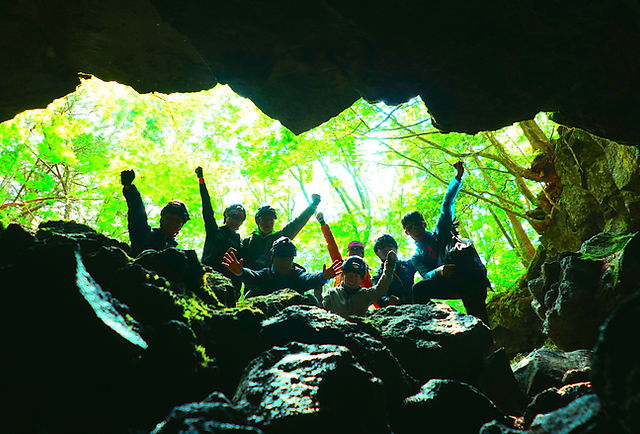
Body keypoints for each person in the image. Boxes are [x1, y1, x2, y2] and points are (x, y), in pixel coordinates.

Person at [405, 160, 490, 324]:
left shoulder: (441, 233)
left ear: (424, 224)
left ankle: (489, 346)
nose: (415, 229)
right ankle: (426, 328)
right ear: (407, 232)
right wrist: (439, 271)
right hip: (449, 284)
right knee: (419, 288)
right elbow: (425, 275)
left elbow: (447, 204)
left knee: (479, 316)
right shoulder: (417, 256)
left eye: (418, 224)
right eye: (410, 227)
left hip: (470, 278)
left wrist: (457, 177)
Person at [222, 236, 342, 298]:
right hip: (266, 318)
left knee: (311, 300)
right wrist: (240, 272)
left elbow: (309, 278)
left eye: (288, 259)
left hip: (295, 320)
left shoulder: (297, 274)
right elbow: (253, 276)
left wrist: (323, 277)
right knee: (251, 295)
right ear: (272, 258)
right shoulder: (265, 275)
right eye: (281, 258)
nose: (284, 262)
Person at [195, 166, 246, 302]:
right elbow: (207, 209)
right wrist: (201, 181)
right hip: (210, 278)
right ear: (225, 217)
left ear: (241, 222)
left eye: (239, 217)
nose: (235, 220)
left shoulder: (241, 244)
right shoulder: (214, 231)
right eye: (231, 215)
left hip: (230, 286)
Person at [241, 195, 321, 272]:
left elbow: (297, 223)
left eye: (271, 220)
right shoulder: (247, 242)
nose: (268, 223)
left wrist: (313, 205)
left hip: (272, 281)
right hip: (251, 280)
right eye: (265, 219)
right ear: (257, 221)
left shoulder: (279, 237)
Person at [120, 169, 190, 257]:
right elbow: (137, 212)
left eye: (177, 221)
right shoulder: (144, 234)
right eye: (170, 219)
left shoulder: (178, 255)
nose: (172, 224)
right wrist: (129, 188)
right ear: (162, 219)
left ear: (180, 227)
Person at [323, 252, 396, 317]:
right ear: (343, 276)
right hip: (336, 329)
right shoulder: (332, 294)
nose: (352, 279)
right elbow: (321, 310)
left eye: (356, 276)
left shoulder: (365, 295)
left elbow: (381, 288)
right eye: (349, 276)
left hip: (359, 331)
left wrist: (389, 267)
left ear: (361, 279)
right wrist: (320, 282)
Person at [315, 212, 372, 288]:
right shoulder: (340, 265)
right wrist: (323, 224)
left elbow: (370, 292)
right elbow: (332, 245)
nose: (355, 251)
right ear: (347, 253)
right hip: (339, 298)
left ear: (362, 254)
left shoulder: (365, 271)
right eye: (352, 249)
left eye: (358, 250)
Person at [371, 233, 416, 306]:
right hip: (391, 310)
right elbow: (376, 295)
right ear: (377, 253)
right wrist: (388, 300)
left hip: (415, 305)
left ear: (396, 249)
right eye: (382, 247)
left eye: (390, 246)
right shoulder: (377, 276)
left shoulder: (408, 265)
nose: (386, 249)